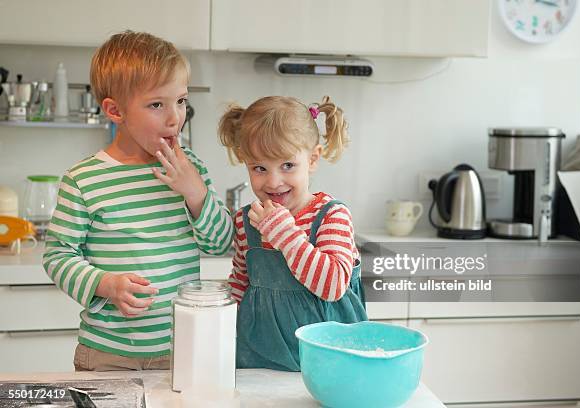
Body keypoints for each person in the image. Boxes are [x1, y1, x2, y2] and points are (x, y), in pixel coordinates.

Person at [42, 31, 233, 371]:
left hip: (179, 349)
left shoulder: (191, 169)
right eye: (157, 104)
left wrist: (195, 192)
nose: (175, 117)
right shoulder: (84, 179)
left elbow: (220, 244)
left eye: (181, 101)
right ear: (115, 111)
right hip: (106, 353)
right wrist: (104, 283)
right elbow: (57, 255)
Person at [218, 95, 368, 371]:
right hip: (258, 360)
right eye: (259, 168)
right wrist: (218, 323)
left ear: (312, 159)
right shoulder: (247, 222)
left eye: (287, 165)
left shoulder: (331, 216)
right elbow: (241, 283)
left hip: (328, 361)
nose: (273, 182)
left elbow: (333, 286)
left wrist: (285, 234)